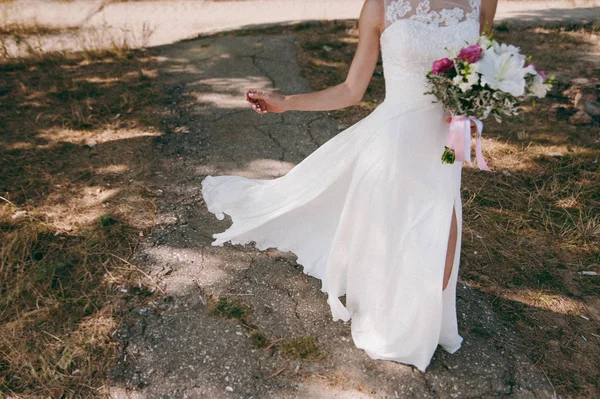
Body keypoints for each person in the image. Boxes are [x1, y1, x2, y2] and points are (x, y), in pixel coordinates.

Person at [201, 0, 498, 372]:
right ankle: (396, 323)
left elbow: (484, 64)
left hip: (444, 140)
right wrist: (287, 102)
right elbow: (351, 89)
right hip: (395, 138)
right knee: (397, 231)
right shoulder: (380, 6)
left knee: (441, 229)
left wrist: (474, 105)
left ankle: (424, 322)